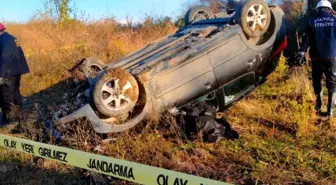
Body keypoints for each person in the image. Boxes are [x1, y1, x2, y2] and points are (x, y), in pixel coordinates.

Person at [296, 0, 336, 117]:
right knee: (332, 82)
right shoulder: (335, 21)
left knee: (316, 80)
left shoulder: (312, 22)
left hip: (316, 57)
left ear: (318, 10)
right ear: (329, 9)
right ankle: (331, 111)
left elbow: (306, 40)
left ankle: (318, 106)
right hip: (331, 56)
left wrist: (302, 52)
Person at [0, 23, 29, 123]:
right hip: (16, 70)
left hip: (8, 73)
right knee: (15, 93)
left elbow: (5, 58)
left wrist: (1, 75)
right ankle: (19, 115)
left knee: (6, 96)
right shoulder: (12, 38)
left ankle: (9, 119)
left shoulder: (4, 41)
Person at [172, 101, 239, 143]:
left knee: (189, 118)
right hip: (202, 121)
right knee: (205, 110)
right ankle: (180, 109)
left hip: (200, 124)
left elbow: (202, 138)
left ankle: (177, 112)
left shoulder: (218, 137)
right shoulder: (224, 128)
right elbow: (221, 119)